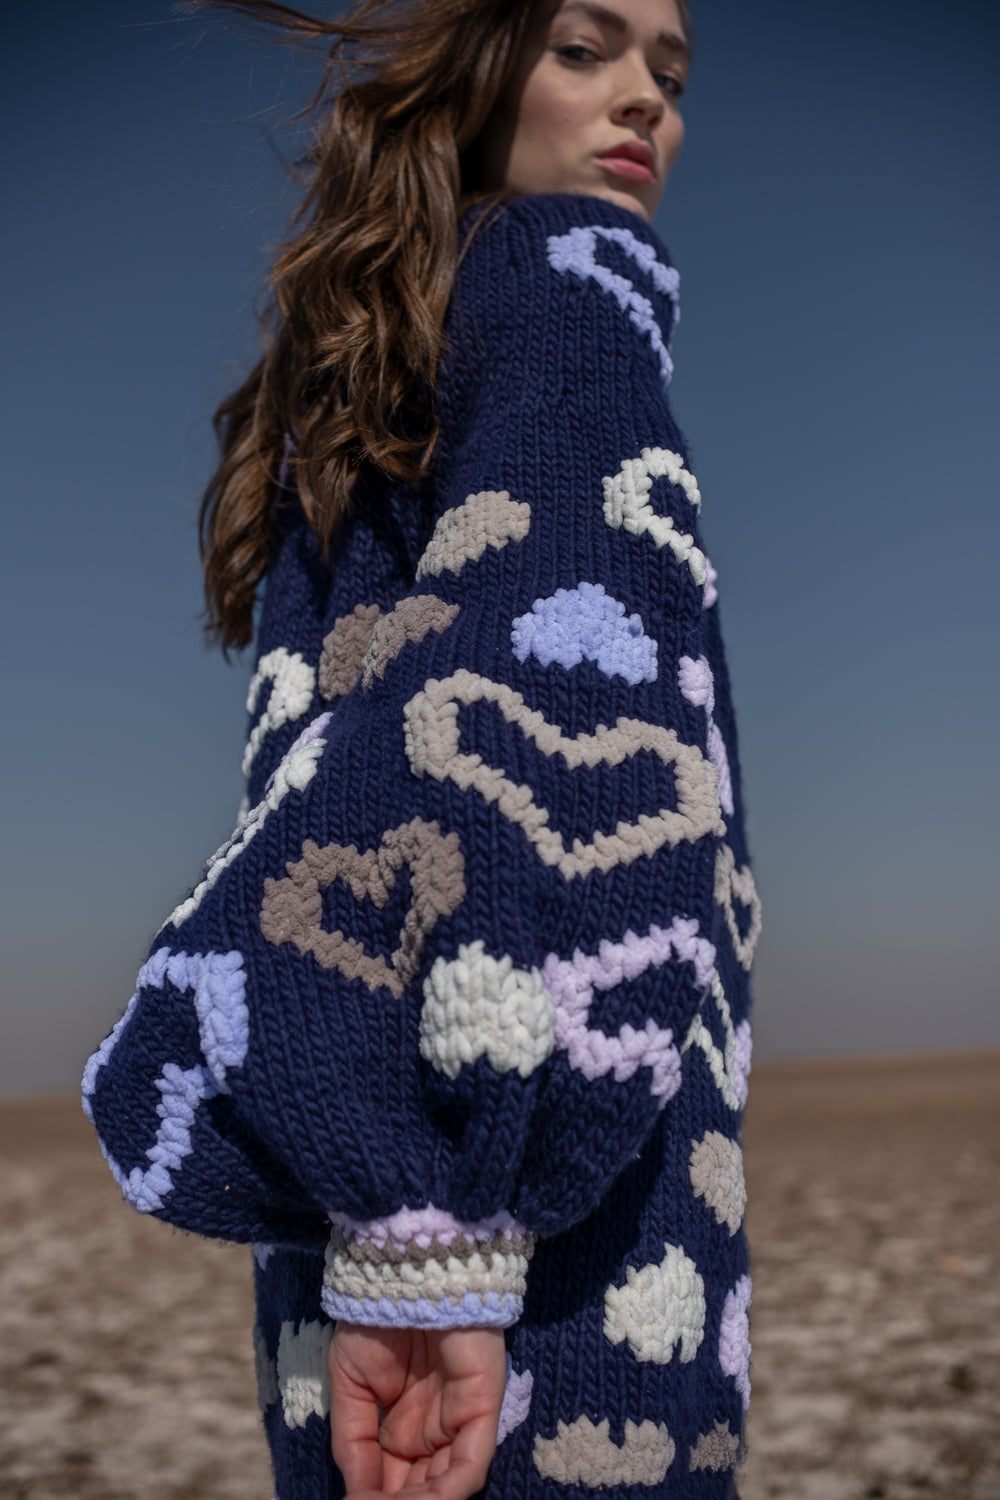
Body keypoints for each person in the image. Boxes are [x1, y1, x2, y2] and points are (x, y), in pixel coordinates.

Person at [83, 0, 762, 1495]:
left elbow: (357, 792)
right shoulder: (560, 285)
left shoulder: (364, 373)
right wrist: (440, 1234)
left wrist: (393, 1236)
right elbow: (542, 743)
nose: (642, 100)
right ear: (476, 78)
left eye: (668, 71)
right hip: (535, 1294)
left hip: (361, 1275)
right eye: (584, 49)